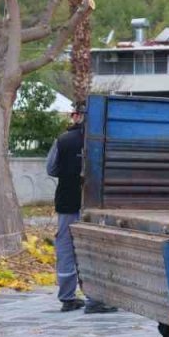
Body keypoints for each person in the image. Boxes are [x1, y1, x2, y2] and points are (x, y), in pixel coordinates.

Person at [46, 106, 116, 314]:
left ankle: (68, 299)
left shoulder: (63, 140)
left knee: (66, 248)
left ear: (78, 117)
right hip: (96, 205)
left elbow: (51, 169)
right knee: (93, 250)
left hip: (68, 201)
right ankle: (95, 299)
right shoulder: (104, 140)